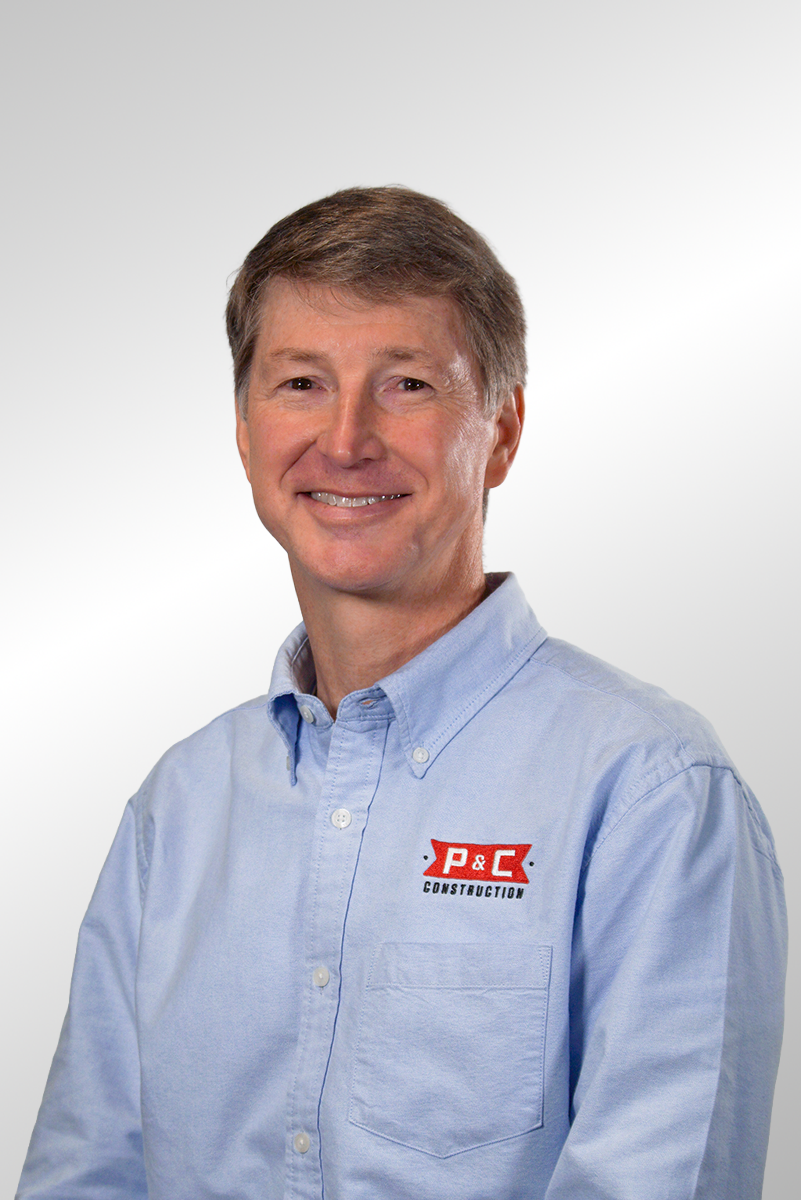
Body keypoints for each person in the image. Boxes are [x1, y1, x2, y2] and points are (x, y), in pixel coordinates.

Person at [17, 187, 786, 1200]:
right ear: (246, 432)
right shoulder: (179, 809)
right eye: (300, 382)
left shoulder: (651, 793)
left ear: (502, 433)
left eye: (408, 384)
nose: (345, 439)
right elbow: (86, 1177)